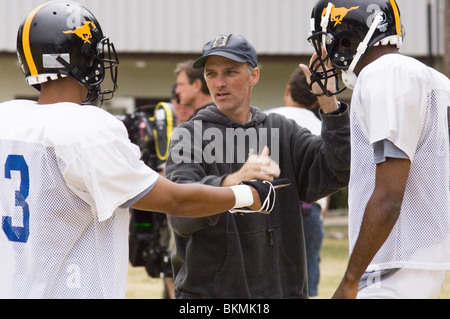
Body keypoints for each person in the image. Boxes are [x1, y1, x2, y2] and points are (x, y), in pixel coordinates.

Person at [0, 2, 278, 299]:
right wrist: (250, 195)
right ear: (81, 58)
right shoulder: (85, 129)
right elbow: (175, 200)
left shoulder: (8, 119)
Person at [165, 33, 351, 298]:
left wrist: (329, 102)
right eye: (211, 73)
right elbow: (180, 212)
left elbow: (339, 168)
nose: (219, 83)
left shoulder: (282, 130)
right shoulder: (189, 136)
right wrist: (233, 183)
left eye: (230, 72)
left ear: (254, 76)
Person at [305, 0, 450, 299]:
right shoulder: (434, 81)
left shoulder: (385, 74)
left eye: (330, 40)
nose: (327, 52)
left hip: (392, 267)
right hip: (419, 260)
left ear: (347, 38)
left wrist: (349, 280)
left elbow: (388, 196)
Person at [265, 68, 330, 297]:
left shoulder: (265, 118)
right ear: (315, 101)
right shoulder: (321, 127)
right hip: (308, 209)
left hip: (266, 209)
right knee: (305, 281)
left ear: (287, 90)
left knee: (267, 279)